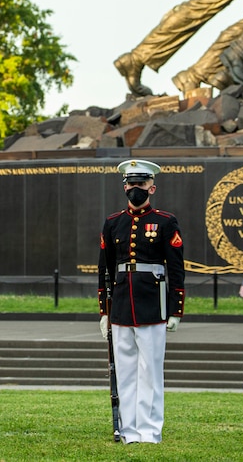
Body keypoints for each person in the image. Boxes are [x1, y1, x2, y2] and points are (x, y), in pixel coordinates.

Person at [98, 159, 185, 445]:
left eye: (141, 183)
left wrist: (175, 310)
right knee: (125, 371)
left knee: (150, 371)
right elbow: (106, 269)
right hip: (122, 304)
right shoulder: (113, 223)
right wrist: (103, 312)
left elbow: (176, 269)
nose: (136, 188)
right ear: (125, 186)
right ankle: (129, 430)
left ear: (152, 187)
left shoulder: (165, 221)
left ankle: (149, 430)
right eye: (131, 183)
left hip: (152, 305)